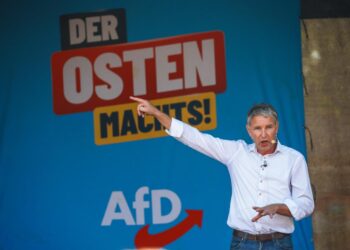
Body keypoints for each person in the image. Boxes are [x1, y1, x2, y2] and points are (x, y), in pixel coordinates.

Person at [130, 96, 314, 250]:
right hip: (243, 243)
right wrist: (156, 113)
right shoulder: (237, 153)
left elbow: (306, 203)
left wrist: (279, 207)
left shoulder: (293, 159)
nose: (263, 134)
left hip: (279, 243)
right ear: (249, 131)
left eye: (269, 127)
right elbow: (196, 139)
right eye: (258, 128)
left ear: (277, 127)